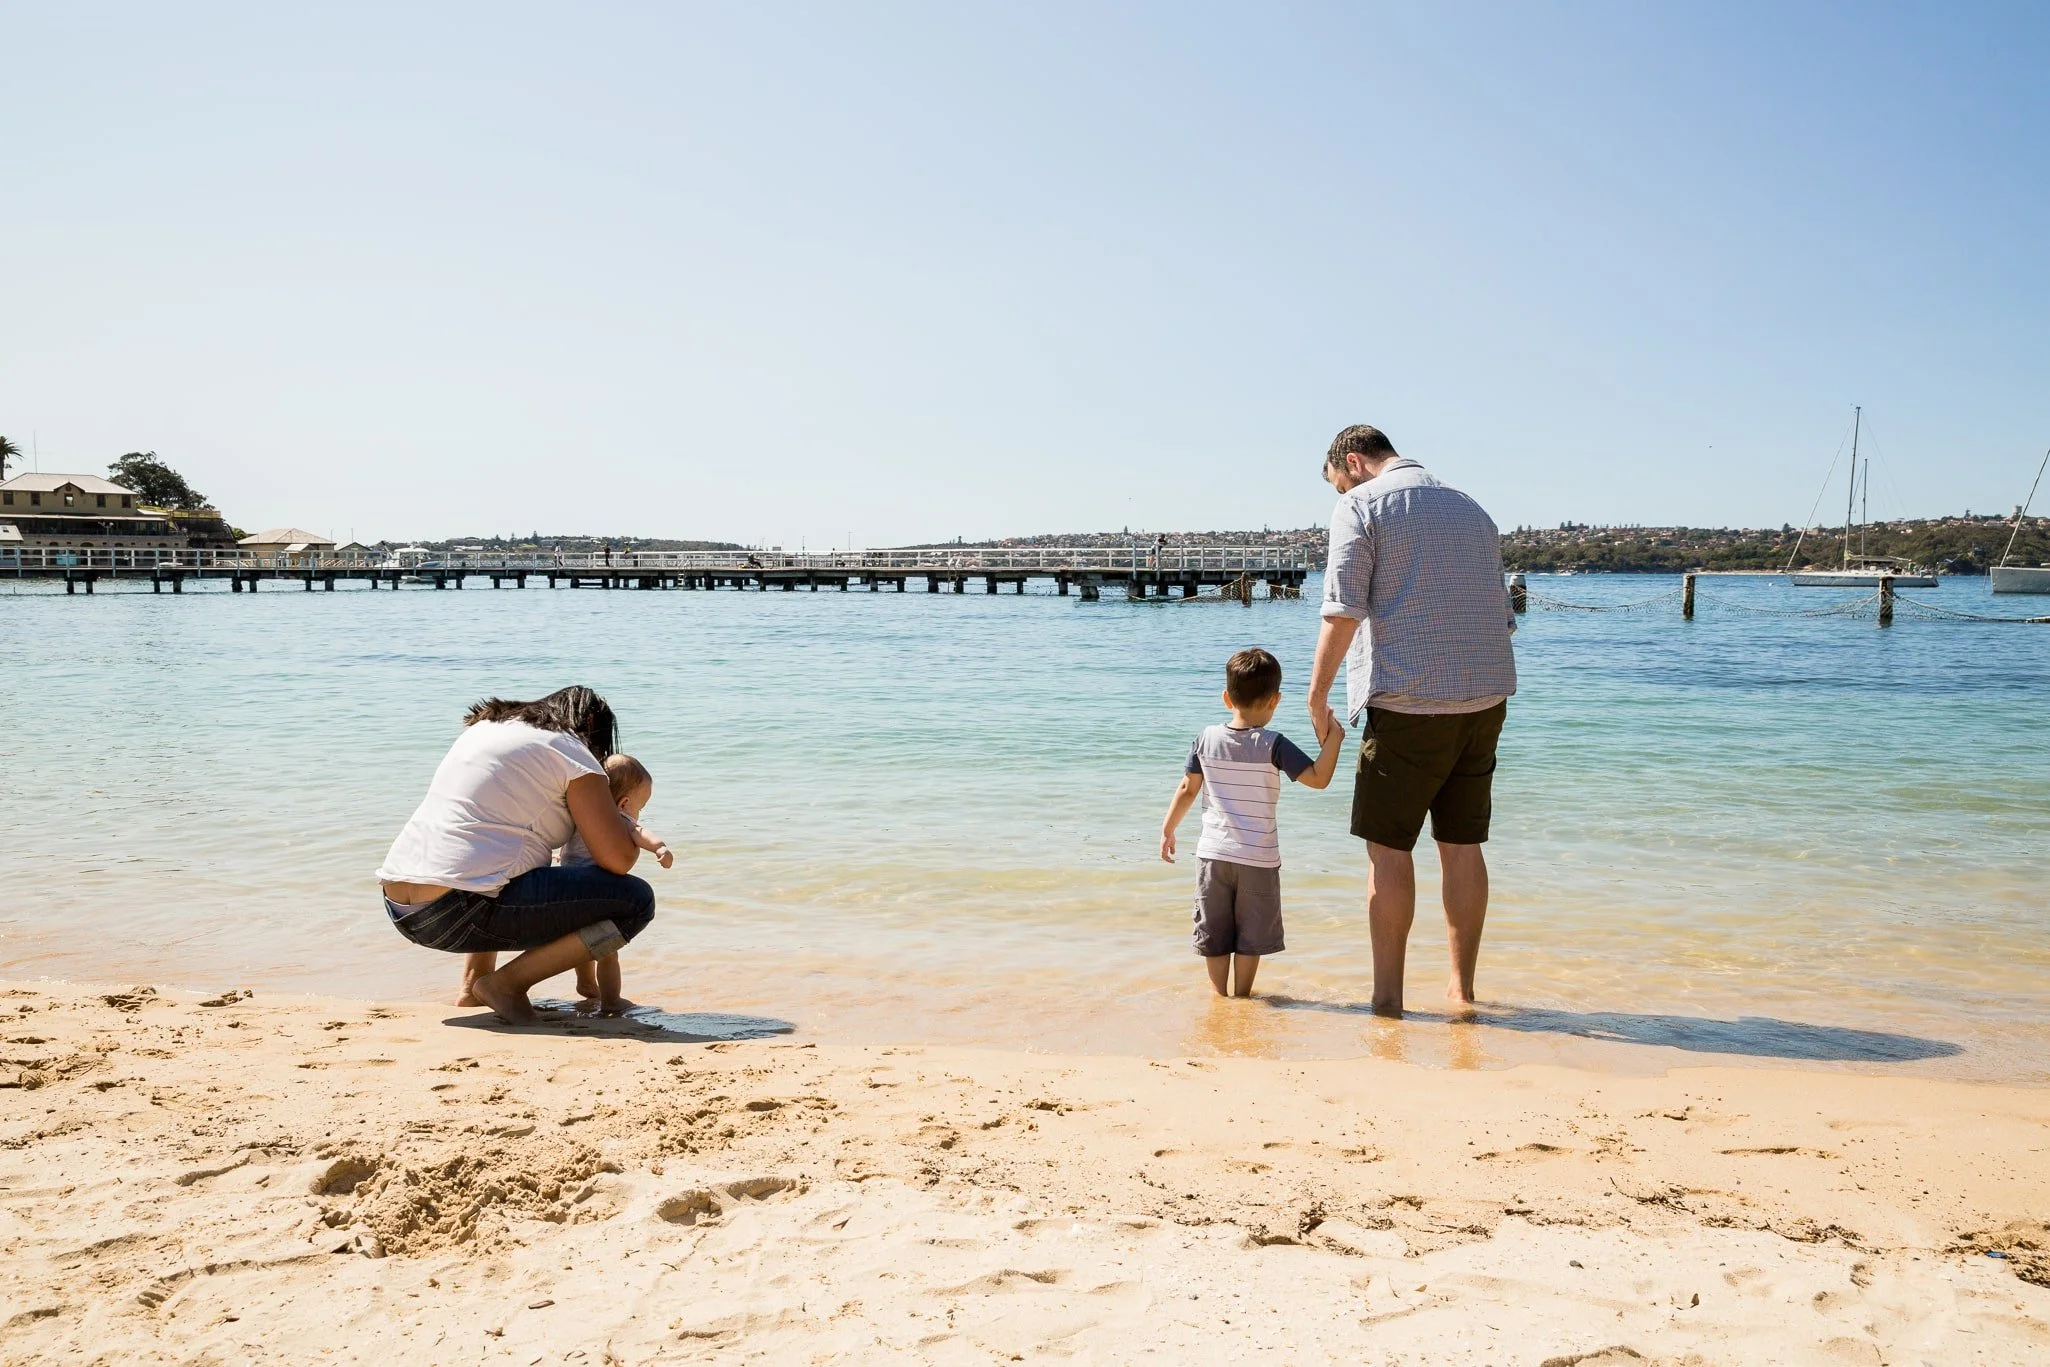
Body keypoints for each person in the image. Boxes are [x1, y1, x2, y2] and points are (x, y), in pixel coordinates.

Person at [1306, 425, 1517, 1017]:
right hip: (1484, 698)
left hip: (1407, 702)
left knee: (1388, 850)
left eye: (1337, 483)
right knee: (1463, 845)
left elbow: (1343, 609)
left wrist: (1317, 694)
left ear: (1353, 463)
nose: (1337, 495)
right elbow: (1502, 616)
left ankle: (1387, 1000)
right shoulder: (1472, 510)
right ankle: (1461, 992)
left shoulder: (1361, 506)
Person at [376, 686, 657, 1024]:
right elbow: (617, 860)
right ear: (591, 728)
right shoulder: (572, 750)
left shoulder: (485, 730)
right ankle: (506, 985)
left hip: (402, 908)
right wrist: (627, 822)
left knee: (495, 862)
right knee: (635, 899)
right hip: (459, 910)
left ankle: (471, 988)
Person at [1160, 648, 1343, 997]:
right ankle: (1242, 995)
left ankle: (1219, 996)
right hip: (1257, 858)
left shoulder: (1206, 738)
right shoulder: (1274, 744)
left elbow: (1187, 788)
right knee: (1251, 934)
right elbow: (1319, 779)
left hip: (1213, 855)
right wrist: (1334, 738)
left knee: (1214, 932)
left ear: (1227, 698)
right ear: (1275, 700)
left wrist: (1169, 828)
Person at [558, 753, 674, 1015]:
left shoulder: (582, 815)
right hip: (597, 893)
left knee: (581, 941)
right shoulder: (619, 819)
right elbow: (639, 833)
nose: (637, 815)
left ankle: (585, 982)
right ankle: (611, 1000)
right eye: (639, 808)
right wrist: (660, 848)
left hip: (567, 889)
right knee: (607, 949)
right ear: (623, 803)